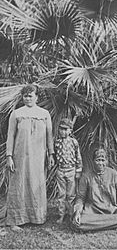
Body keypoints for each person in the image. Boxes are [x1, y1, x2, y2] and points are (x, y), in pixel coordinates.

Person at [1, 84, 54, 231]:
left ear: (37, 97)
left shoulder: (44, 114)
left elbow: (50, 136)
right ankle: (16, 219)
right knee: (19, 185)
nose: (28, 98)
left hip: (39, 155)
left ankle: (37, 217)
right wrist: (9, 156)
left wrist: (51, 153)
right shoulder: (16, 114)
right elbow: (10, 136)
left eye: (30, 95)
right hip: (20, 156)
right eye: (25, 96)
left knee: (36, 183)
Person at [72, 148, 117, 232]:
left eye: (103, 160)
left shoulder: (113, 173)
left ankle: (95, 225)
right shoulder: (86, 176)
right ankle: (112, 223)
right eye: (98, 160)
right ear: (93, 161)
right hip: (92, 211)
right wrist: (78, 212)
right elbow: (80, 197)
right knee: (78, 221)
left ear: (106, 161)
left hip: (111, 210)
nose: (100, 163)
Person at [54, 118, 82, 225]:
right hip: (61, 170)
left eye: (66, 129)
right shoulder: (57, 142)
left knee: (71, 194)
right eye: (61, 129)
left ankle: (71, 214)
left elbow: (78, 156)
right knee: (61, 194)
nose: (63, 132)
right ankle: (61, 214)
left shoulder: (74, 142)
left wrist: (78, 170)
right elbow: (55, 155)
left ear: (70, 130)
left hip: (71, 170)